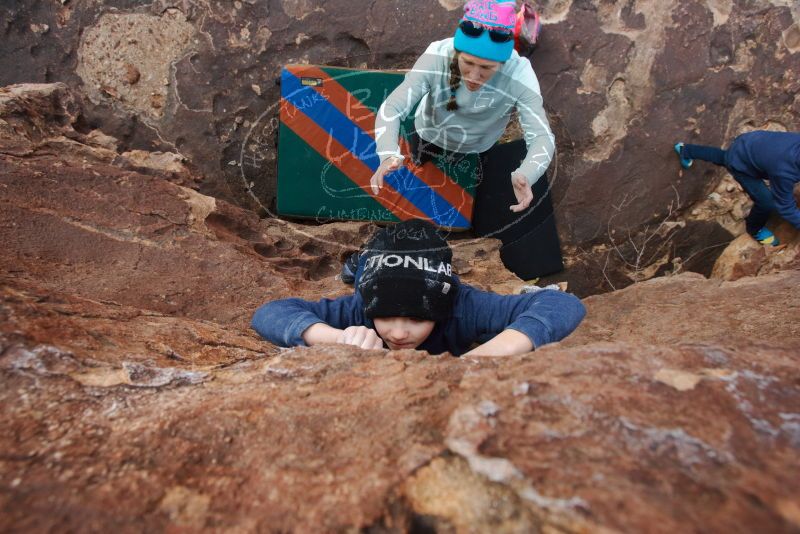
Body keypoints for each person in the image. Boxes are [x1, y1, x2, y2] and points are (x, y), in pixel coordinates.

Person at [251, 220, 585, 357]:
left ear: (439, 309)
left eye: (416, 318)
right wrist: (339, 338)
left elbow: (561, 304)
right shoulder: (360, 309)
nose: (397, 333)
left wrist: (482, 358)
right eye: (385, 317)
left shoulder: (462, 305)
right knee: (361, 270)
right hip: (372, 273)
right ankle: (360, 262)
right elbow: (270, 313)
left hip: (431, 279)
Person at [370, 0, 555, 213]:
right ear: (457, 51)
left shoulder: (520, 73)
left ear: (503, 63)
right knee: (420, 154)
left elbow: (542, 136)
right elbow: (393, 107)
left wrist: (527, 173)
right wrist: (387, 153)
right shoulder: (436, 56)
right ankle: (422, 159)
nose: (475, 76)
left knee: (469, 161)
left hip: (479, 143)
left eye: (487, 68)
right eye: (468, 63)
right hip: (429, 131)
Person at [674, 131, 800, 246]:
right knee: (766, 202)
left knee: (725, 157)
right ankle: (755, 229)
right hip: (743, 163)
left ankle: (685, 150)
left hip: (750, 140)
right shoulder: (785, 172)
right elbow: (786, 207)